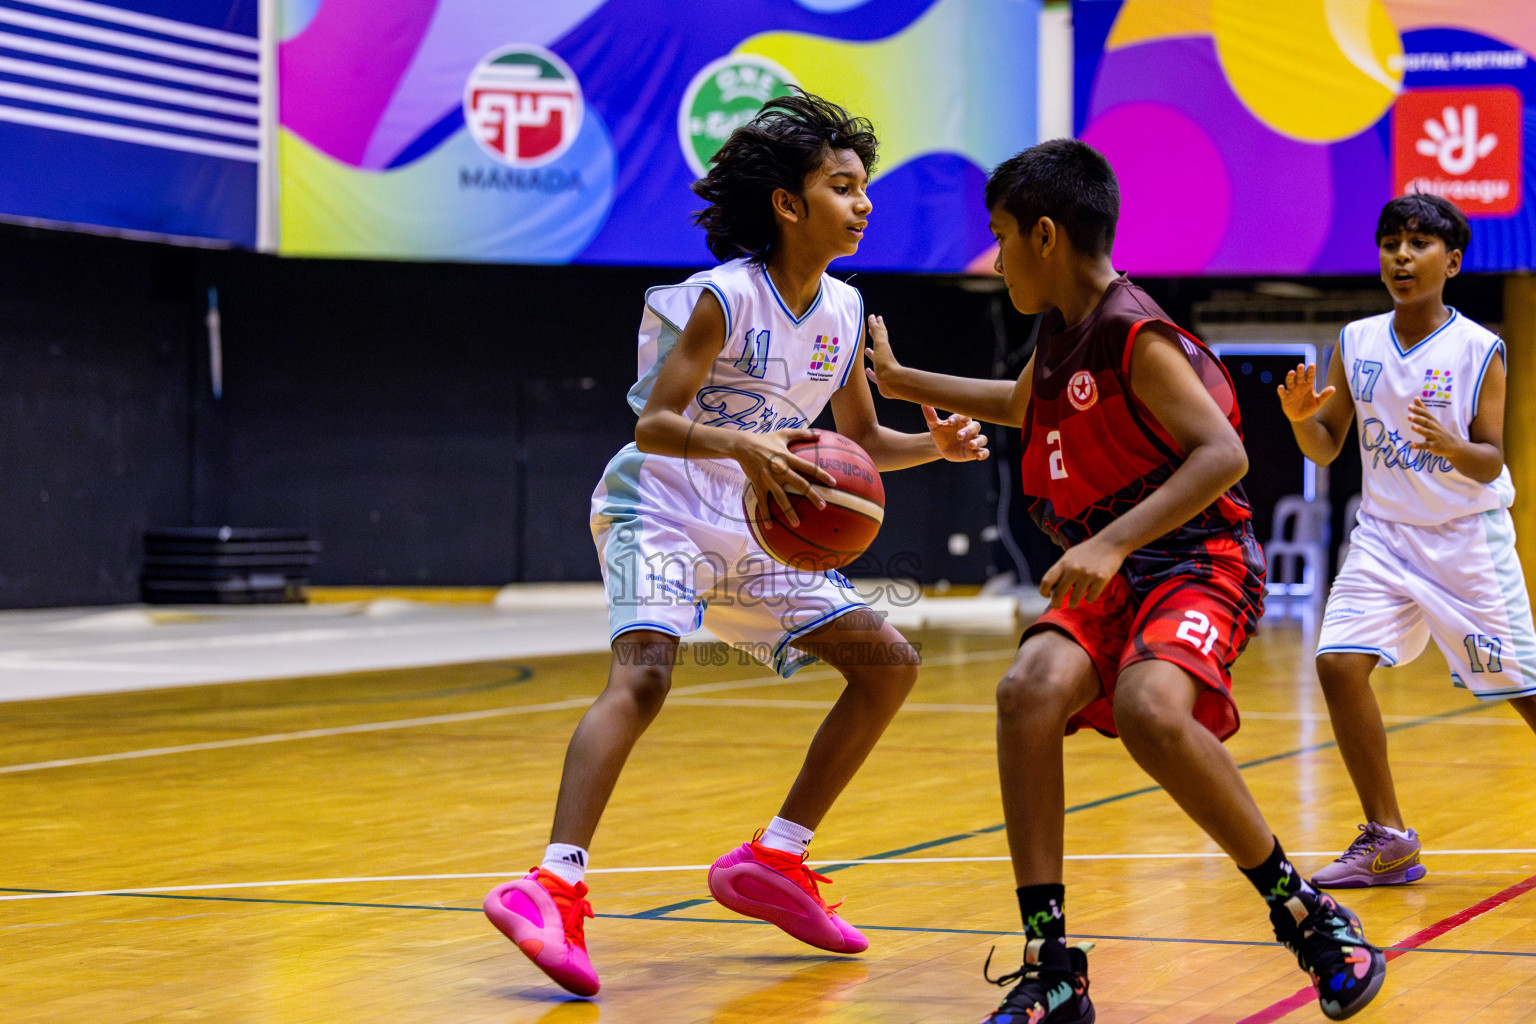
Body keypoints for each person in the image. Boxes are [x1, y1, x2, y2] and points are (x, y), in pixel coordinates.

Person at [481, 90, 990, 997]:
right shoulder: (722, 299)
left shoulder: (842, 309)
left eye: (863, 187)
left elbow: (860, 445)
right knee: (643, 675)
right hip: (662, 504)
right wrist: (741, 444)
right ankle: (551, 884)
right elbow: (657, 424)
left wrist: (933, 446)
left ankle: (774, 859)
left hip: (759, 521)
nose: (863, 204)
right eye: (842, 187)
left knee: (889, 662)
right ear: (788, 206)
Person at [864, 138, 1386, 1022]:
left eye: (999, 238)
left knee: (1150, 708)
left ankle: (1309, 917)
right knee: (1027, 690)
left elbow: (1223, 454)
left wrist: (1108, 542)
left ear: (1044, 235)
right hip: (1121, 568)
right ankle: (1052, 961)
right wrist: (901, 377)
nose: (994, 261)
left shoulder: (1130, 330)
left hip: (1196, 560)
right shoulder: (1063, 330)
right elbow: (1025, 405)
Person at [1278, 192, 1536, 889]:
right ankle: (1389, 839)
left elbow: (1490, 458)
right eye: (1391, 241)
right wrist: (1304, 418)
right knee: (1337, 665)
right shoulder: (1355, 341)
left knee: (1526, 689)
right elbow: (1328, 449)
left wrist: (1454, 445)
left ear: (1451, 261)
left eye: (1419, 244)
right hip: (1384, 538)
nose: (1401, 255)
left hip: (1465, 544)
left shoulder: (1481, 348)